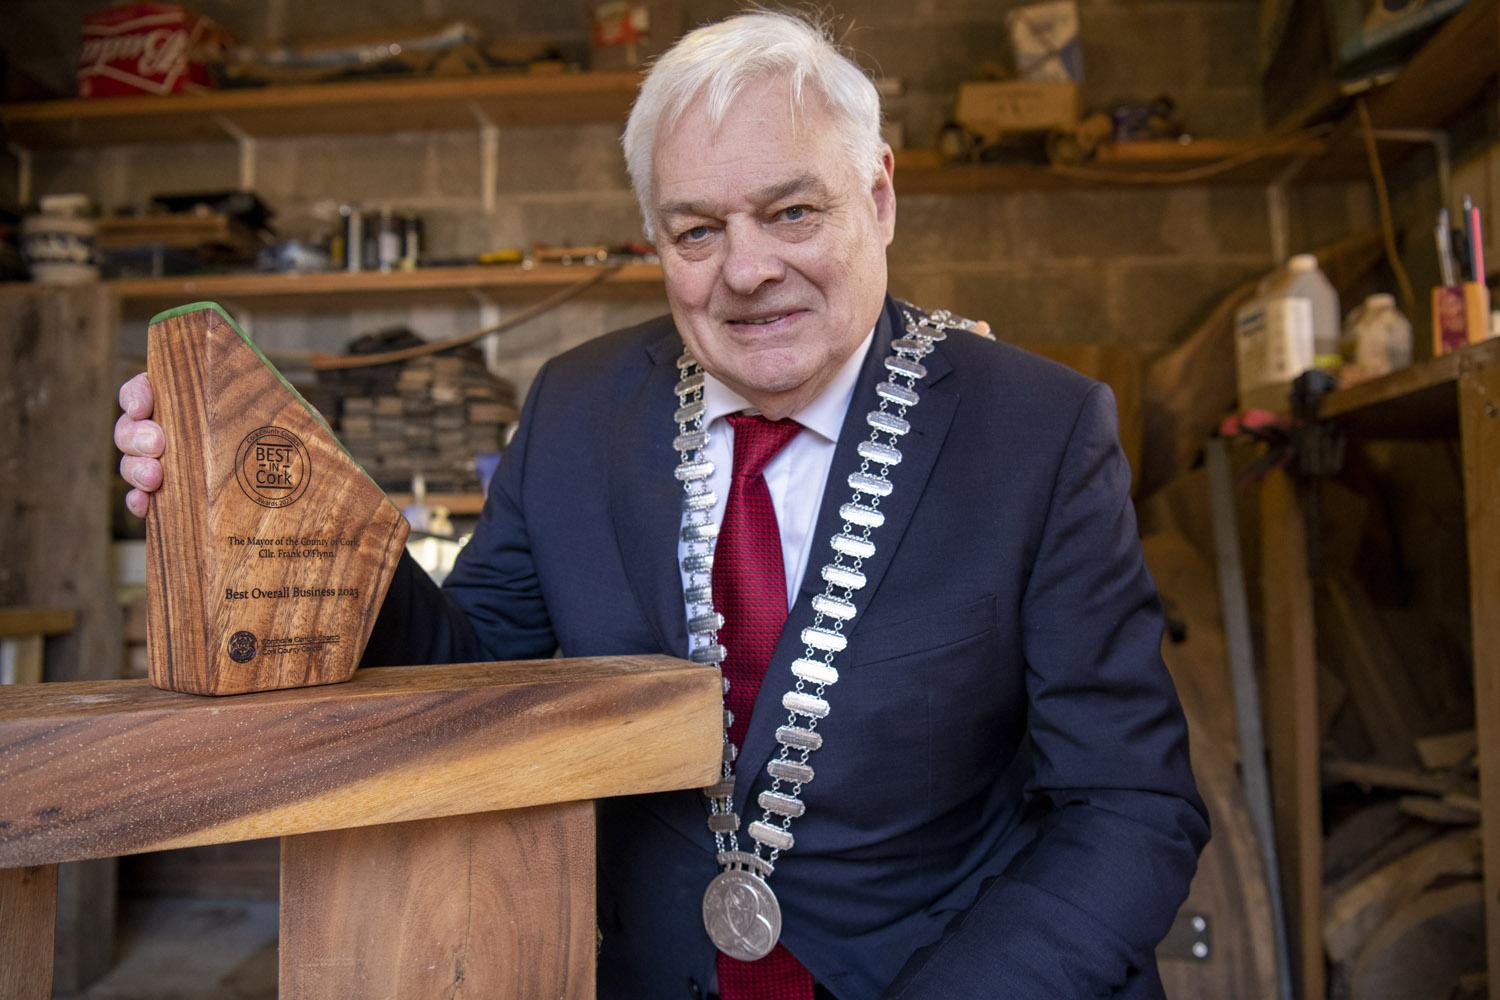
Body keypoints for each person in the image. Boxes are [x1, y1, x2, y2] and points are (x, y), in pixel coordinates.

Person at [117, 12, 1208, 999]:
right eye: (697, 231)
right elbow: (479, 662)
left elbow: (1129, 810)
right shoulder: (579, 407)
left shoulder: (1039, 430)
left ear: (877, 197)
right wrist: (302, 517)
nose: (746, 270)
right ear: (658, 240)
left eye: (792, 211)